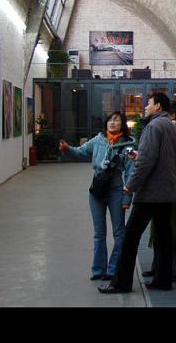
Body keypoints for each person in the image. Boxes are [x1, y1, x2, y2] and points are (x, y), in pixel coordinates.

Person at [98, 92, 176, 293]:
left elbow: (146, 163)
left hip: (150, 193)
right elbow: (171, 159)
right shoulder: (173, 129)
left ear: (158, 107)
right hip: (167, 191)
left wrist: (130, 185)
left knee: (130, 238)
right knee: (164, 238)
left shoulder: (153, 127)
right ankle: (163, 280)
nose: (145, 107)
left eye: (149, 104)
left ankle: (121, 282)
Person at [59, 112, 136, 281]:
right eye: (110, 119)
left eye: (117, 120)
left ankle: (113, 268)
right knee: (99, 233)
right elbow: (80, 152)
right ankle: (98, 270)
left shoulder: (128, 144)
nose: (113, 122)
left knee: (119, 233)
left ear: (122, 124)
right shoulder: (98, 139)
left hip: (116, 189)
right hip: (98, 188)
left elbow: (131, 172)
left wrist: (126, 197)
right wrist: (67, 149)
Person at [141, 101, 176, 282]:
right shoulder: (174, 130)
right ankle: (161, 266)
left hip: (171, 186)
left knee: (173, 226)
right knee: (166, 226)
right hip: (172, 185)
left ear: (170, 116)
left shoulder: (172, 131)